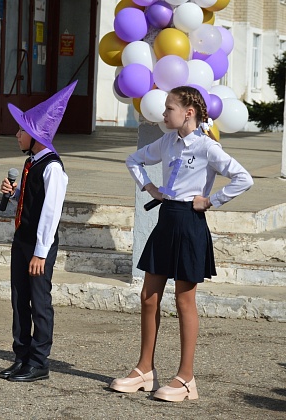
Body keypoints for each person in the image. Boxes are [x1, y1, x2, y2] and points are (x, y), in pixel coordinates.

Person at [111, 86, 253, 401]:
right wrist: (150, 188)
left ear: (188, 112)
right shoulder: (167, 141)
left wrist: (212, 200)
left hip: (190, 223)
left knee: (184, 300)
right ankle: (144, 370)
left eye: (169, 109)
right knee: (148, 297)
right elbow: (134, 160)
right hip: (166, 221)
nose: (163, 114)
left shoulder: (208, 147)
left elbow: (244, 178)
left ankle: (186, 378)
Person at [0, 82, 75, 382]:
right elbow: (33, 202)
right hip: (23, 239)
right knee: (19, 298)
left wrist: (41, 252)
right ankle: (21, 355)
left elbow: (50, 213)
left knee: (39, 301)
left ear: (36, 135)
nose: (17, 134)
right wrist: (15, 194)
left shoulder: (52, 168)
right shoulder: (32, 161)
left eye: (21, 130)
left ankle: (39, 360)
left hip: (39, 245)